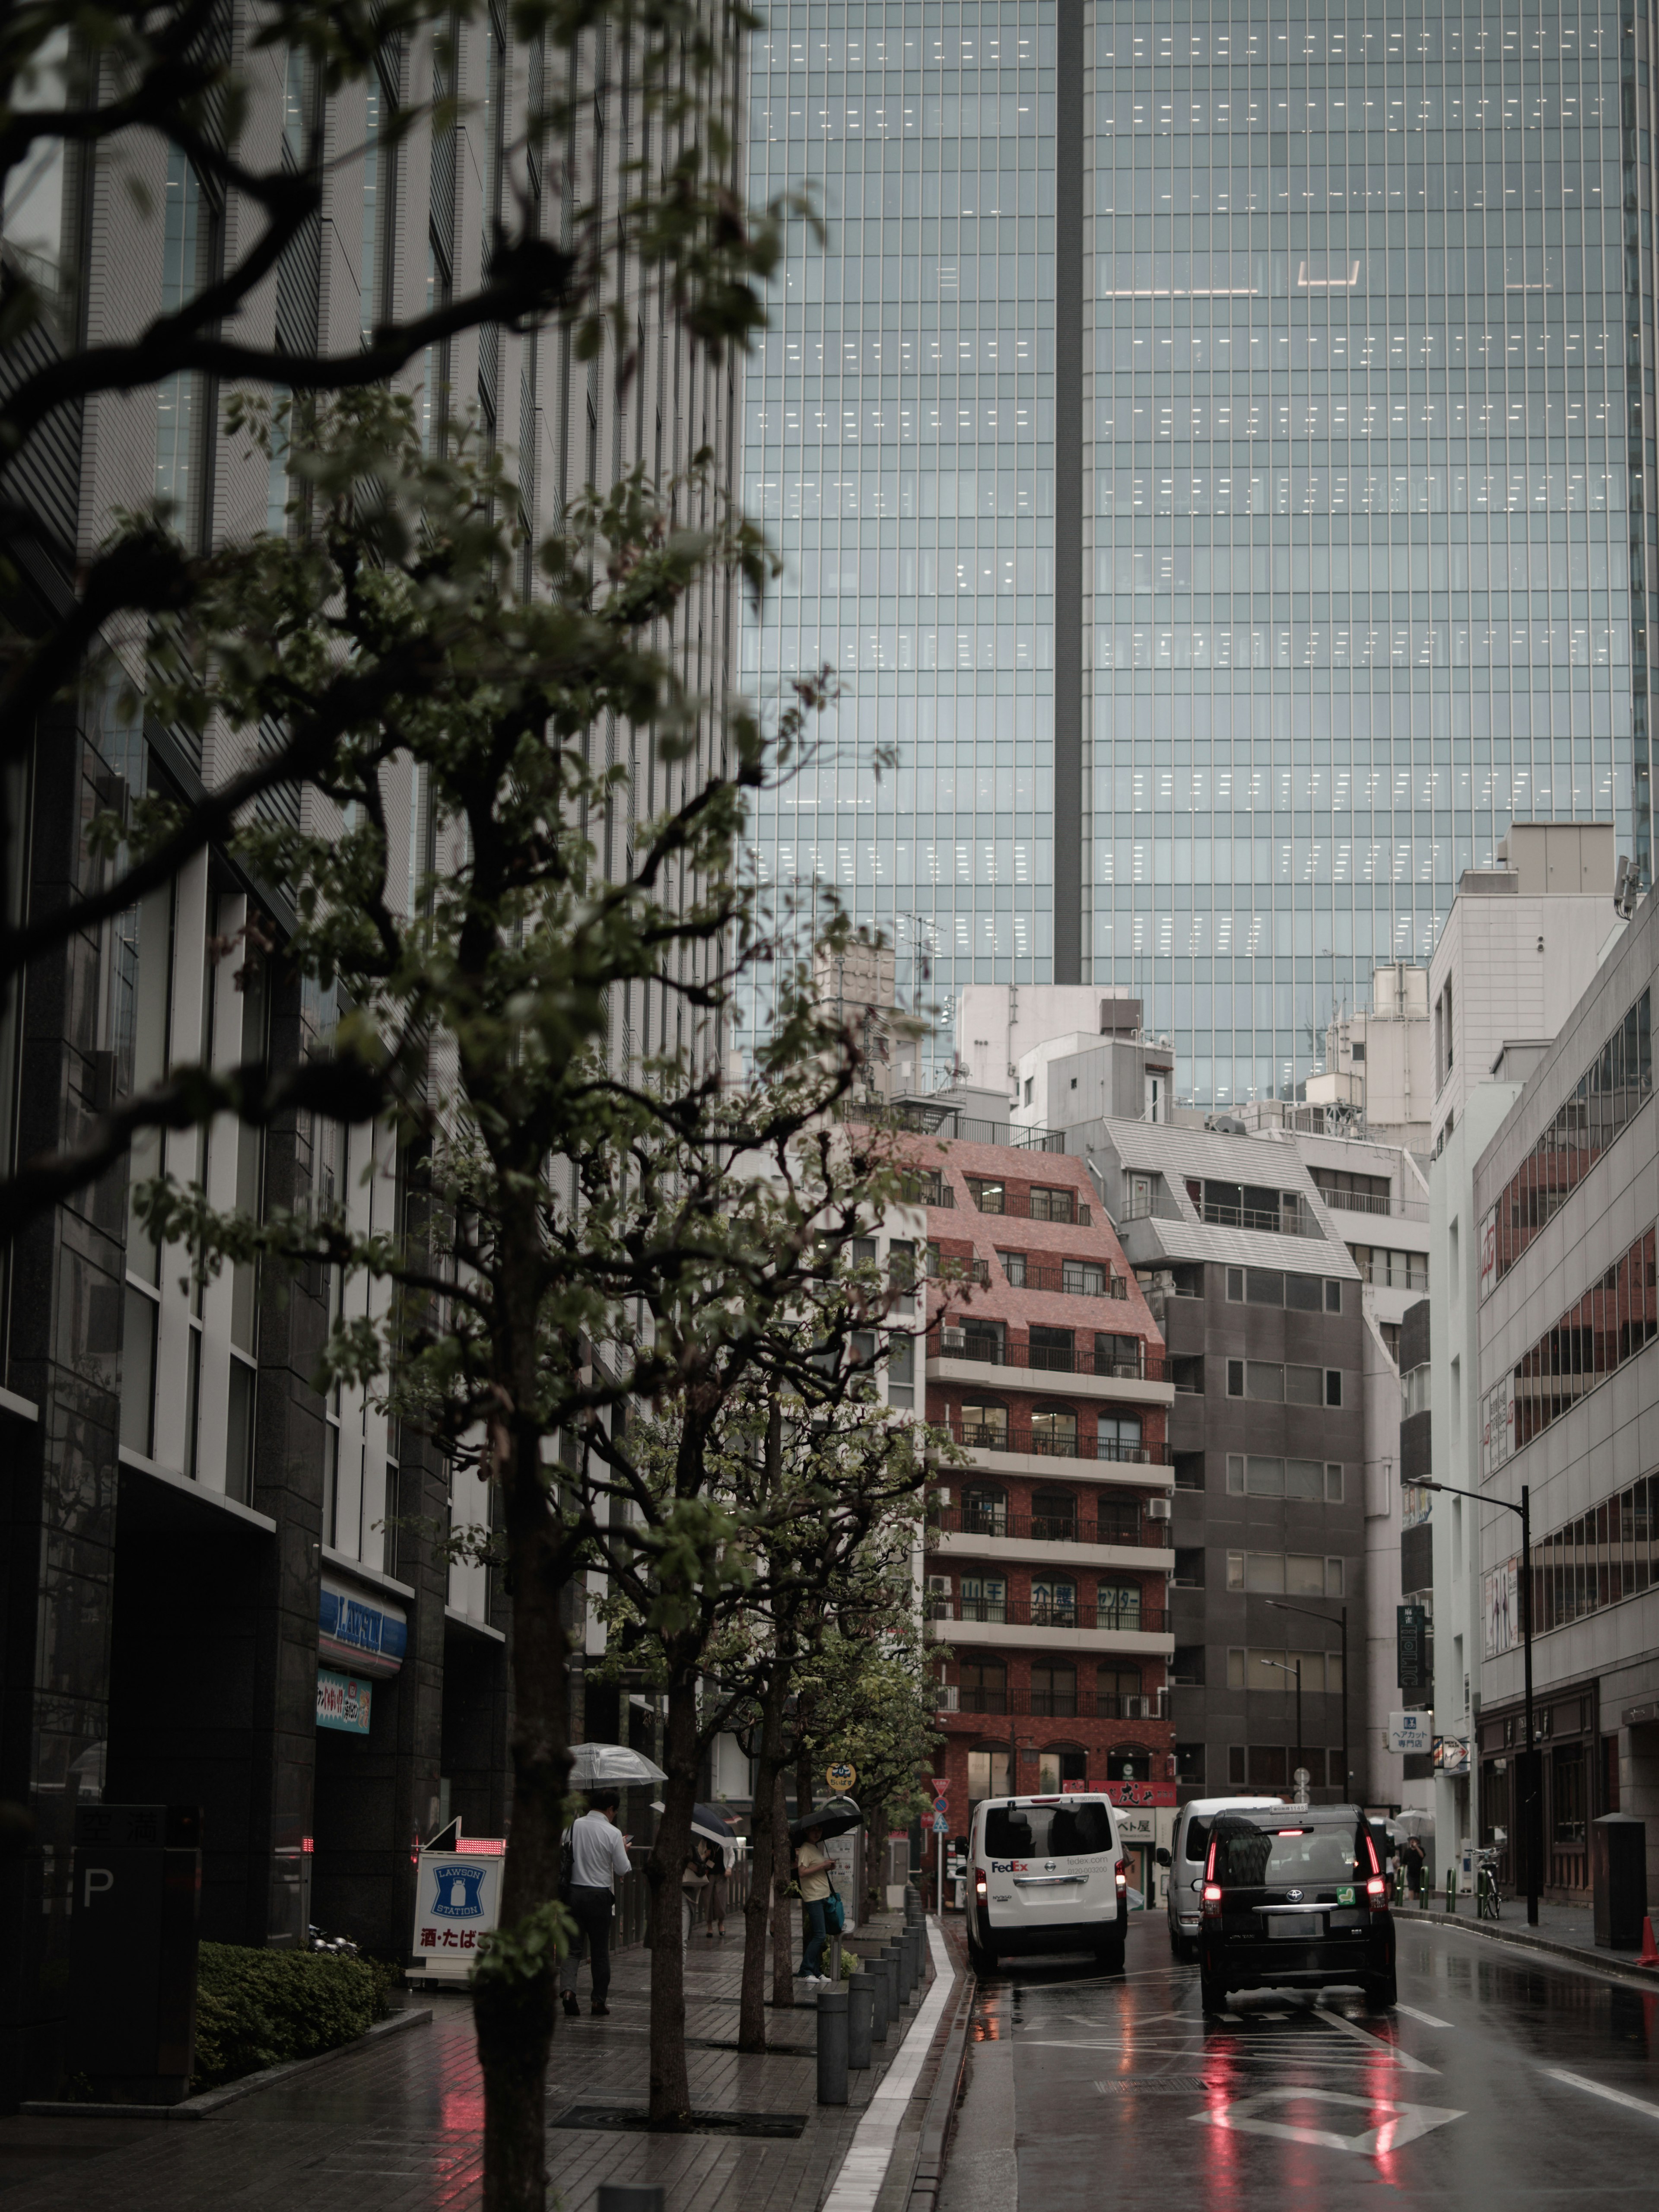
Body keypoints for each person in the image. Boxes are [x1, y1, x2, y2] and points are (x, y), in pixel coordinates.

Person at [560, 1789, 633, 2017]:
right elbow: (623, 1869)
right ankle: (598, 2002)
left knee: (573, 1950)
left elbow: (563, 1853)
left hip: (572, 1894)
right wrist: (623, 1849)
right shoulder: (613, 1833)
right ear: (610, 1809)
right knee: (600, 1952)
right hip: (599, 1897)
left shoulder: (572, 1827)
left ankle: (569, 1992)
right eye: (615, 1812)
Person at [795, 1825, 836, 1985]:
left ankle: (816, 1971)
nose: (817, 1833)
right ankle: (805, 1971)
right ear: (807, 1831)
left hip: (822, 1896)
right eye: (814, 1830)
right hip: (814, 1897)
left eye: (820, 1830)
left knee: (820, 1935)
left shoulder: (815, 1848)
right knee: (820, 1935)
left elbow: (815, 1870)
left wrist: (827, 1868)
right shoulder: (806, 1848)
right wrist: (822, 1866)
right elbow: (802, 1872)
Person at [706, 1840, 732, 1939]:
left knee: (721, 1900)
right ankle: (709, 1926)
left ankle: (721, 1923)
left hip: (722, 1874)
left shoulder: (725, 1841)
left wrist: (729, 1868)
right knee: (708, 1900)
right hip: (708, 1875)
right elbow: (699, 1857)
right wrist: (705, 1855)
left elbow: (732, 1855)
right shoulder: (705, 1842)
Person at [1402, 1833, 1427, 1905]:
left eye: (1414, 1840)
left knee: (1418, 1890)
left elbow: (1422, 1856)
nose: (1412, 1842)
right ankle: (1411, 1902)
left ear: (1417, 1842)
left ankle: (1418, 1902)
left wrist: (1417, 1848)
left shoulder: (1421, 1849)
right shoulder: (1408, 1851)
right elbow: (1404, 1863)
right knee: (1411, 1887)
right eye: (1411, 1841)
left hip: (1419, 1873)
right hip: (1410, 1873)